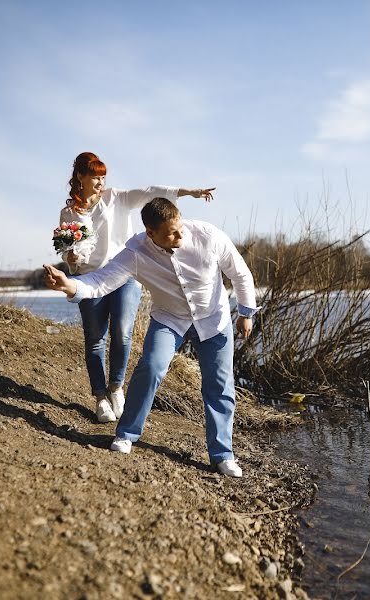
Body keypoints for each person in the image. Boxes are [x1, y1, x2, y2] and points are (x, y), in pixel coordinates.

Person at [44, 198, 257, 478]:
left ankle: (222, 455)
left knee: (219, 385)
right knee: (151, 367)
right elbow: (101, 281)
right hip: (169, 319)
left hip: (213, 319)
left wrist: (246, 312)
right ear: (151, 233)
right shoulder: (135, 252)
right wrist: (69, 285)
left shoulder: (208, 236)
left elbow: (240, 274)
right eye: (171, 232)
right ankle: (126, 435)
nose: (180, 235)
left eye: (180, 227)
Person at [59, 152, 215, 425]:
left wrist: (186, 192)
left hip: (124, 273)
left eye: (103, 176)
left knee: (122, 332)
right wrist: (70, 259)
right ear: (80, 177)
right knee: (95, 338)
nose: (100, 181)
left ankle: (116, 387)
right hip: (89, 277)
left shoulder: (115, 197)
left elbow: (148, 192)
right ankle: (100, 398)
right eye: (95, 176)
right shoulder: (69, 213)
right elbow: (68, 251)